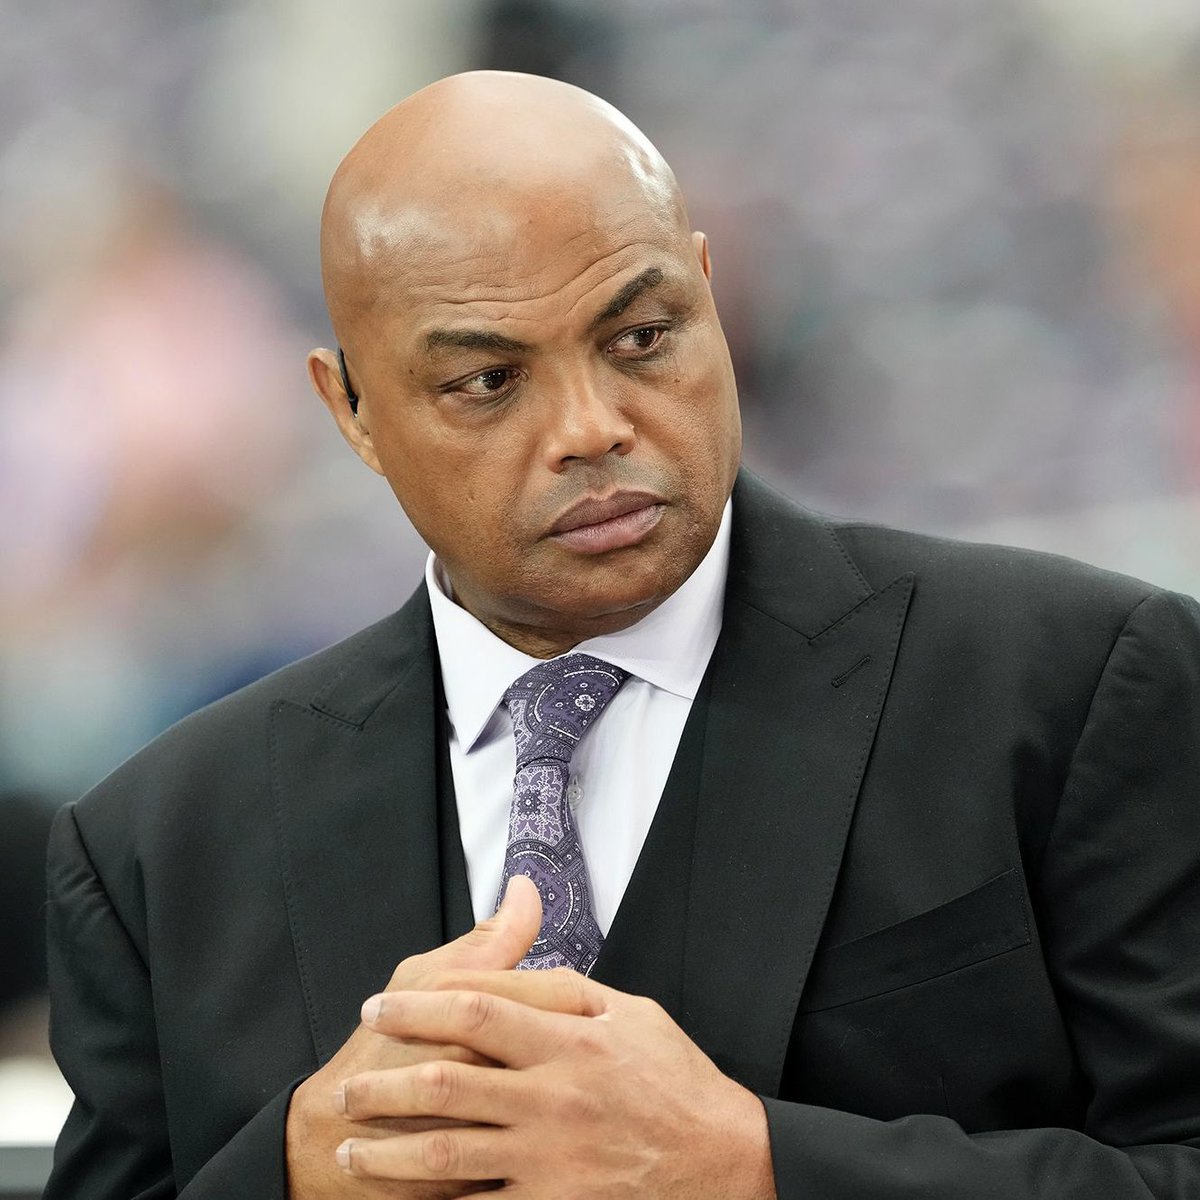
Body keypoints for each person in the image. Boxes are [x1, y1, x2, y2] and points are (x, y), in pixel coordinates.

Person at [43, 71, 1200, 1199]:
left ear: (708, 293)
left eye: (641, 337)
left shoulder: (1080, 685)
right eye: (487, 381)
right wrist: (295, 1175)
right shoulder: (155, 847)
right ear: (351, 411)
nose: (590, 427)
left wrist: (758, 1170)